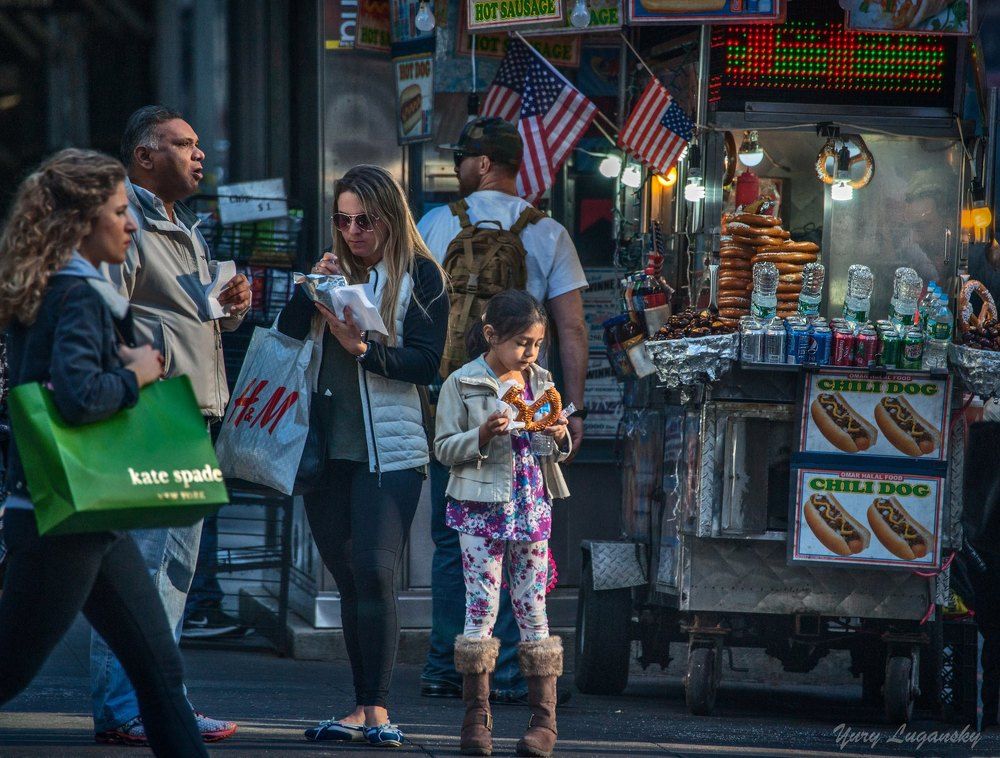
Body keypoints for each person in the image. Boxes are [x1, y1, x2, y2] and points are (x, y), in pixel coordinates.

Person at [0, 148, 208, 757]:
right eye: (120, 212)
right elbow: (75, 397)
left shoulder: (50, 288)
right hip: (63, 519)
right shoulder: (81, 295)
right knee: (9, 672)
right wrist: (139, 374)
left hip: (90, 515)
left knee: (160, 672)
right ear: (82, 223)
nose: (133, 224)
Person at [90, 105, 249, 746]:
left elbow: (188, 314)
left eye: (197, 144)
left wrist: (226, 309)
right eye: (184, 144)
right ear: (145, 156)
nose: (199, 153)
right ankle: (138, 707)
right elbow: (107, 313)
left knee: (173, 572)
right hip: (155, 414)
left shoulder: (183, 224)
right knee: (149, 572)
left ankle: (153, 702)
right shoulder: (126, 218)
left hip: (191, 411)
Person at [417, 117, 588, 702]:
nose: (458, 168)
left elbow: (411, 315)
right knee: (521, 547)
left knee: (457, 541)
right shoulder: (550, 233)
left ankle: (448, 666)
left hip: (456, 396)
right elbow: (572, 328)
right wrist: (577, 407)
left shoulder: (438, 224)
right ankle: (513, 675)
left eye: (463, 157)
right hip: (530, 409)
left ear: (483, 163)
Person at [276, 164, 448, 747]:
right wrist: (308, 291)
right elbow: (285, 340)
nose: (353, 232)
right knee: (349, 579)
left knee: (376, 574)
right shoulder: (329, 272)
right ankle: (359, 706)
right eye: (344, 220)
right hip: (324, 450)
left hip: (390, 452)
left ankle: (379, 709)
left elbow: (427, 364)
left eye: (365, 221)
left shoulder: (421, 275)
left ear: (389, 218)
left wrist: (364, 348)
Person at [436, 290, 571, 757]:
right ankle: (477, 719)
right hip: (479, 506)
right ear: (491, 335)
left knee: (533, 608)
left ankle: (544, 722)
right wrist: (481, 434)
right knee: (480, 606)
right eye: (521, 343)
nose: (529, 353)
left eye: (536, 343)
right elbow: (443, 447)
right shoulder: (462, 382)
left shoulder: (542, 380)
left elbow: (558, 444)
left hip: (531, 504)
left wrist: (559, 434)